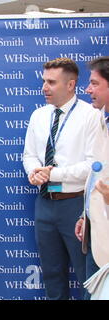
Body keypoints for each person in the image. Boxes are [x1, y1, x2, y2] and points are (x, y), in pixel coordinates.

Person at [23, 57, 101, 300]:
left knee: (86, 274)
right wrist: (34, 172)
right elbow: (29, 154)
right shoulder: (38, 115)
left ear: (71, 85)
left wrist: (53, 173)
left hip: (76, 205)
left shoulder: (91, 116)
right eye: (44, 81)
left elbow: (93, 165)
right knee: (52, 274)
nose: (44, 87)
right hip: (45, 203)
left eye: (51, 82)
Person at [74, 57, 109, 287]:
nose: (88, 89)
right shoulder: (100, 118)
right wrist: (84, 214)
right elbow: (97, 171)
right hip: (96, 233)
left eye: (95, 83)